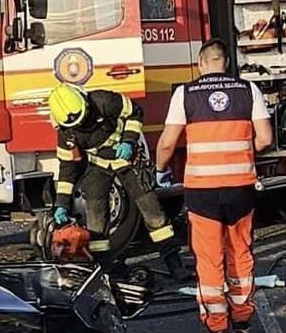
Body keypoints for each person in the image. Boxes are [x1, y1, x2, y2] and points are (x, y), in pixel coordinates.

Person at [155, 39, 274, 333]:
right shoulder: (248, 90)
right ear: (226, 63)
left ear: (200, 63)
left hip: (202, 192)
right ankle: (243, 320)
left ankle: (218, 329)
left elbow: (167, 143)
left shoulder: (185, 93)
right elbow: (265, 139)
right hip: (240, 188)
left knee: (209, 260)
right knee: (240, 253)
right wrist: (241, 152)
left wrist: (160, 169)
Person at [48, 83, 185, 277]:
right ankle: (104, 270)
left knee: (153, 213)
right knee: (96, 222)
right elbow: (67, 169)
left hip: (126, 158)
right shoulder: (65, 132)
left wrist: (128, 140)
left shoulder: (104, 101)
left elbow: (135, 112)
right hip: (97, 165)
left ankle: (175, 265)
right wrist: (61, 204)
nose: (83, 125)